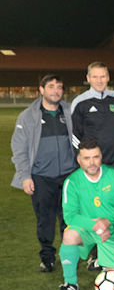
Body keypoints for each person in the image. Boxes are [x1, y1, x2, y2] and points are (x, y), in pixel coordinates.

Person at [11, 74, 76, 272]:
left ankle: (70, 256)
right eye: (51, 87)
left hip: (68, 176)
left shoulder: (68, 111)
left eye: (59, 87)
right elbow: (19, 148)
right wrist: (25, 176)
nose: (56, 90)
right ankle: (47, 257)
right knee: (45, 220)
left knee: (70, 219)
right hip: (42, 177)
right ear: (41, 90)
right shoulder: (28, 116)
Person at [57, 138, 114, 290]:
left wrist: (108, 222)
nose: (92, 163)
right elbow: (70, 216)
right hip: (88, 230)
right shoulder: (72, 182)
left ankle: (103, 261)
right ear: (79, 160)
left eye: (95, 157)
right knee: (69, 235)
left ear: (101, 157)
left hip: (113, 231)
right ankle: (70, 283)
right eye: (86, 158)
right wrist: (96, 225)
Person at [71, 61, 114, 171]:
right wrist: (84, 157)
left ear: (108, 77)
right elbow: (74, 135)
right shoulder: (80, 102)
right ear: (88, 78)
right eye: (95, 77)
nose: (99, 81)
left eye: (102, 76)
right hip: (92, 163)